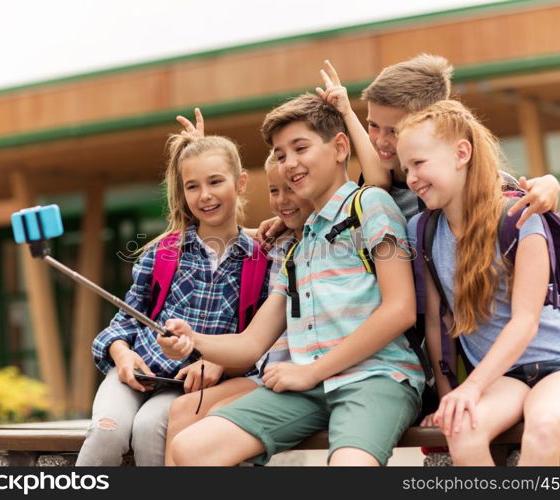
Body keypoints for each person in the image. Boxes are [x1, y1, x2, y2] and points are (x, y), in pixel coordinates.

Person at [158, 94, 423, 466]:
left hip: (375, 377)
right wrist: (192, 341)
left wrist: (311, 370)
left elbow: (400, 310)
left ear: (340, 147)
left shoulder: (372, 206)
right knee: (191, 448)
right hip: (308, 388)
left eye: (300, 148)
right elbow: (251, 344)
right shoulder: (300, 247)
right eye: (280, 156)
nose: (289, 164)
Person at [401, 100, 560, 466]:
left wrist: (473, 388)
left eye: (419, 163)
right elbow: (437, 322)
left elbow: (525, 322)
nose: (411, 177)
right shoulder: (423, 231)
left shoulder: (519, 216)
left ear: (462, 153)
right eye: (405, 168)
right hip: (503, 376)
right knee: (462, 432)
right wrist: (450, 397)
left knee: (542, 427)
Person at [75, 131, 267, 466]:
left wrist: (219, 360)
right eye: (192, 186)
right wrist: (122, 356)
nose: (204, 195)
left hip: (184, 389)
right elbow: (124, 322)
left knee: (152, 429)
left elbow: (259, 342)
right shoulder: (163, 253)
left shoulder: (261, 261)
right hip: (136, 372)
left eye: (216, 182)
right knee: (107, 431)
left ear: (241, 183)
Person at [258, 55, 560, 244]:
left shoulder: (479, 179)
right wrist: (293, 217)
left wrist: (549, 186)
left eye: (395, 131)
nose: (380, 140)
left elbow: (523, 209)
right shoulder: (378, 182)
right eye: (372, 125)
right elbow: (376, 183)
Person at [162, 150, 312, 465]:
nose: (283, 199)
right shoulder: (278, 243)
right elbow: (221, 231)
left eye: (292, 188)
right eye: (274, 191)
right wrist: (197, 147)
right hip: (264, 368)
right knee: (181, 410)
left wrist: (220, 361)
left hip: (291, 372)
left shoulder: (323, 242)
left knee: (212, 418)